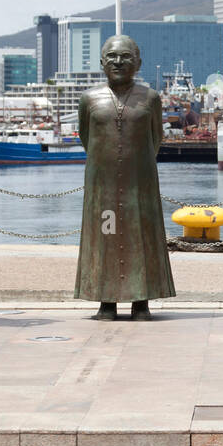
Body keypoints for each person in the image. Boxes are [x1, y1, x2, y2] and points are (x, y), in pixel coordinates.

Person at [74, 35, 175, 320]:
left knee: (141, 238)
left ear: (138, 62)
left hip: (139, 185)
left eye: (126, 56)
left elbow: (156, 139)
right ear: (102, 63)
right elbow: (87, 137)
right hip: (101, 187)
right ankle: (106, 301)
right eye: (112, 57)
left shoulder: (150, 98)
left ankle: (141, 301)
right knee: (104, 238)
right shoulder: (89, 99)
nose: (119, 62)